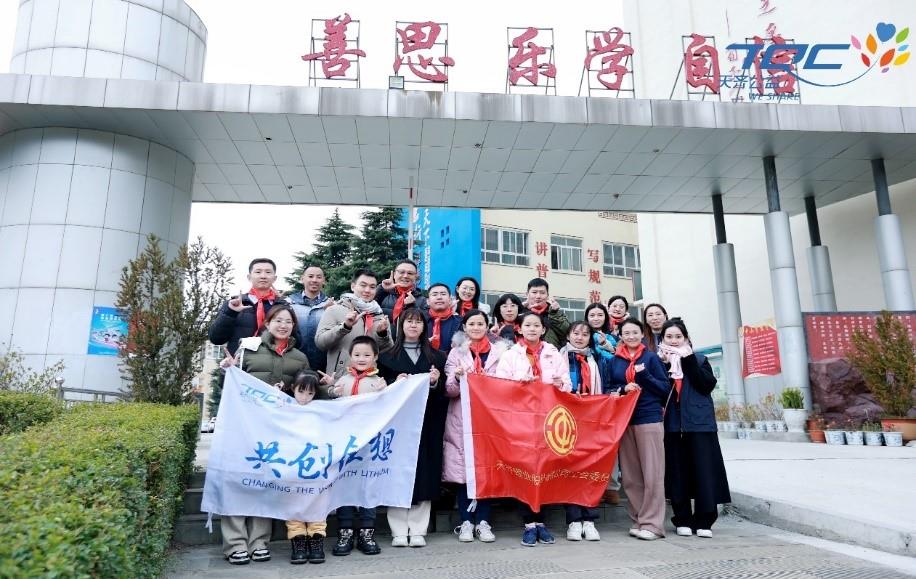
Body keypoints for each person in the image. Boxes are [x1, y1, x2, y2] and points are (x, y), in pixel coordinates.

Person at [219, 304, 310, 565]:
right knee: (238, 481)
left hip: (276, 430)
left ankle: (259, 541)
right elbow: (231, 385)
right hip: (244, 426)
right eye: (278, 320)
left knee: (267, 483)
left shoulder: (300, 357)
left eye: (288, 322)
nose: (283, 325)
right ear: (267, 324)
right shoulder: (248, 348)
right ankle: (235, 543)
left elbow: (305, 390)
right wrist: (228, 369)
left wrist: (325, 387)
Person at [493, 311, 571, 546]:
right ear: (519, 328)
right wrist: (520, 386)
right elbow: (500, 386)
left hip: (548, 420)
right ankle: (528, 523)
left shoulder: (553, 354)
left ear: (543, 329)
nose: (532, 329)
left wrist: (559, 384)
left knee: (544, 469)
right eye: (528, 325)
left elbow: (567, 384)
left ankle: (541, 522)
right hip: (521, 421)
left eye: (536, 325)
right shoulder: (511, 355)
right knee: (525, 470)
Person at [378, 309, 448, 548]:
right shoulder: (386, 356)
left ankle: (418, 528)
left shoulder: (437, 357)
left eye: (418, 322)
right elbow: (378, 389)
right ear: (401, 325)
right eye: (409, 321)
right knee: (397, 471)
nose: (413, 325)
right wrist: (393, 384)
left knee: (425, 471)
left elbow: (446, 392)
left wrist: (436, 381)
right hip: (397, 423)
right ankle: (398, 529)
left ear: (424, 327)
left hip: (427, 422)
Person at [658, 318, 730, 539]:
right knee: (677, 473)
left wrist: (687, 359)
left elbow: (706, 385)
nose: (674, 340)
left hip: (699, 424)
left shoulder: (699, 359)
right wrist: (665, 365)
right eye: (669, 337)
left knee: (704, 472)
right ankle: (682, 519)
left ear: (686, 338)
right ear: (662, 339)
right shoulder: (658, 362)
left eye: (678, 336)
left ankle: (704, 520)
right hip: (671, 425)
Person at [443, 309, 511, 544]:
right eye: (471, 323)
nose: (476, 327)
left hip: (490, 419)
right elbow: (449, 390)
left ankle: (483, 521)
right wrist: (457, 378)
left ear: (487, 326)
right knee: (465, 471)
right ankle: (466, 522)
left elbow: (507, 385)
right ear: (464, 327)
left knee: (486, 470)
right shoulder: (456, 353)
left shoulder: (501, 353)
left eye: (480, 323)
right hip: (463, 418)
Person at [605, 318, 672, 541]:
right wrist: (623, 388)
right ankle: (638, 519)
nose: (631, 336)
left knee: (653, 473)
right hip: (625, 420)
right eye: (627, 333)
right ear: (620, 335)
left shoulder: (651, 358)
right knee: (631, 476)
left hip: (649, 418)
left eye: (635, 332)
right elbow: (608, 388)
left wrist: (645, 377)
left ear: (642, 334)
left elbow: (664, 389)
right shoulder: (615, 360)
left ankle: (653, 524)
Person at [325, 336, 387, 556]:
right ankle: (345, 531)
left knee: (368, 485)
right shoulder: (342, 379)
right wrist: (332, 390)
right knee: (345, 484)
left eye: (367, 355)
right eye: (357, 354)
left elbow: (387, 407)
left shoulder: (378, 382)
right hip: (345, 443)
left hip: (369, 444)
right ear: (350, 356)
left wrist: (385, 392)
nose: (362, 359)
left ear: (375, 357)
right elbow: (332, 402)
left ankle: (367, 532)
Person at [559, 321, 605, 542]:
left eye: (585, 334)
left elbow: (609, 385)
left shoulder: (597, 359)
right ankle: (574, 520)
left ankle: (590, 519)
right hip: (565, 420)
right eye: (575, 333)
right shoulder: (557, 357)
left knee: (590, 469)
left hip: (591, 420)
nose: (580, 337)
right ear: (568, 335)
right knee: (570, 470)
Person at [281, 371, 330, 565]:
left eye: (310, 393)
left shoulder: (321, 409)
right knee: (294, 504)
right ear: (293, 388)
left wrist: (332, 387)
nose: (305, 397)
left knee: (318, 502)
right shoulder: (284, 407)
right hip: (292, 466)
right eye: (301, 392)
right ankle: (298, 540)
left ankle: (316, 539)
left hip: (316, 466)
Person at [315, 269, 391, 382]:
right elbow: (320, 342)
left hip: (369, 380)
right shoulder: (334, 310)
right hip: (338, 380)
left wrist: (382, 334)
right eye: (363, 285)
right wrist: (344, 327)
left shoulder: (379, 316)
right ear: (353, 286)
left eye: (372, 287)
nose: (367, 290)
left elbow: (386, 349)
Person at [584, 302, 623, 505]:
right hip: (587, 399)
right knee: (587, 445)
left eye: (600, 315)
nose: (596, 318)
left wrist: (610, 347)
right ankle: (590, 486)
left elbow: (621, 365)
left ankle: (611, 487)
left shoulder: (614, 340)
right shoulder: (582, 338)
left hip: (609, 395)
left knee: (610, 443)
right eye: (592, 315)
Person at [209, 258, 290, 355]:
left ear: (274, 278)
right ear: (249, 277)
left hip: (274, 361)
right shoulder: (233, 304)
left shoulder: (283, 306)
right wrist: (230, 313)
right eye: (258, 272)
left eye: (268, 272)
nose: (263, 276)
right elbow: (216, 339)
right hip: (240, 361)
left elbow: (296, 341)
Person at [288, 265, 334, 372]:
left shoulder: (331, 305)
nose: (314, 280)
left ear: (324, 281)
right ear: (302, 279)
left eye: (319, 277)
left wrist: (331, 312)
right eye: (310, 276)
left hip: (324, 363)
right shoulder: (289, 303)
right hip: (294, 360)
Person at [375, 259, 428, 325]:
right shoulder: (383, 293)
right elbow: (367, 307)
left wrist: (413, 307)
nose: (405, 276)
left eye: (410, 273)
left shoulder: (424, 299)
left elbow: (426, 322)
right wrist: (382, 289)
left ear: (415, 277)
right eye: (401, 272)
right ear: (394, 275)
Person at [522, 278, 570, 349]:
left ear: (547, 295)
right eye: (534, 292)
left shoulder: (555, 313)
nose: (538, 296)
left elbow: (567, 332)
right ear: (527, 294)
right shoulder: (521, 313)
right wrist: (520, 309)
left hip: (551, 354)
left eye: (542, 293)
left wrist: (554, 314)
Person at [425, 283, 462, 354]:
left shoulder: (460, 322)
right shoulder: (420, 320)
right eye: (434, 294)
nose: (439, 297)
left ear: (450, 300)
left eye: (443, 294)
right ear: (428, 301)